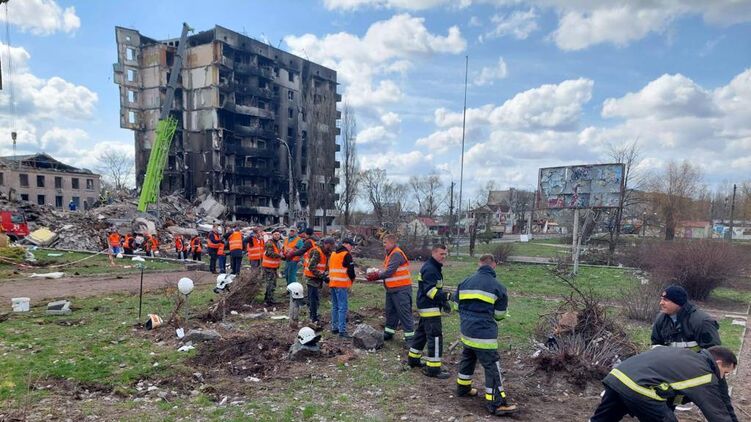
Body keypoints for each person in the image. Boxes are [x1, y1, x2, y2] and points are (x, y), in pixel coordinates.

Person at [590, 345, 738, 421]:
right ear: (718, 363)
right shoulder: (704, 374)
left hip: (618, 376)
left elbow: (724, 401)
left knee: (603, 419)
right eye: (725, 372)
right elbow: (716, 412)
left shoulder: (687, 356)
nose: (723, 378)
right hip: (639, 387)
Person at [453, 254, 517, 416]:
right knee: (491, 366)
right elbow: (499, 315)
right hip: (484, 335)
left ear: (479, 264)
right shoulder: (498, 287)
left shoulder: (465, 282)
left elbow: (455, 306)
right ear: (494, 265)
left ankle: (463, 388)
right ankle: (496, 403)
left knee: (468, 357)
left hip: (466, 331)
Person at [409, 244, 451, 378]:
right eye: (441, 254)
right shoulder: (431, 269)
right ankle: (433, 369)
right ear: (434, 253)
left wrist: (443, 302)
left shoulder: (434, 267)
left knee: (421, 333)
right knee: (435, 336)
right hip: (429, 307)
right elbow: (430, 291)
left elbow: (434, 288)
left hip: (428, 306)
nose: (443, 257)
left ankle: (413, 359)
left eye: (445, 254)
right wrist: (447, 297)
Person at [366, 234, 414, 345]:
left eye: (385, 243)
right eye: (383, 242)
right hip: (392, 289)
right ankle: (389, 333)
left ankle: (410, 339)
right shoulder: (390, 254)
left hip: (401, 289)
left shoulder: (396, 254)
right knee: (391, 312)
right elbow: (387, 271)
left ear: (392, 243)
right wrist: (377, 273)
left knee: (404, 313)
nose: (384, 245)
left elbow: (389, 272)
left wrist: (376, 276)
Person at [651, 285, 721, 351]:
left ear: (678, 302)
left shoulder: (701, 321)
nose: (661, 303)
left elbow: (712, 352)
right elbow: (656, 345)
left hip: (696, 362)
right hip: (669, 362)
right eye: (661, 299)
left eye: (665, 300)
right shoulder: (661, 319)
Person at [304, 237, 335, 329]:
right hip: (311, 278)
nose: (332, 247)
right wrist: (323, 276)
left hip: (316, 278)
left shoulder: (325, 252)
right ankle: (313, 318)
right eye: (331, 245)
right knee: (313, 300)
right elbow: (311, 267)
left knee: (315, 299)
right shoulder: (317, 252)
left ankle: (314, 316)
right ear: (327, 244)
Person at [328, 238, 356, 338]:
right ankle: (342, 331)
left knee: (335, 306)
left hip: (333, 283)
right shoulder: (346, 254)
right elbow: (351, 270)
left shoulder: (333, 254)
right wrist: (352, 279)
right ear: (345, 244)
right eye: (351, 245)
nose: (352, 247)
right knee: (342, 307)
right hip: (341, 284)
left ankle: (334, 328)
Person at [262, 230, 284, 305]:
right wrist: (280, 256)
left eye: (278, 234)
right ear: (272, 235)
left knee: (272, 283)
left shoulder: (278, 243)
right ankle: (269, 300)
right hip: (268, 266)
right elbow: (269, 253)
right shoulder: (269, 243)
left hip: (274, 266)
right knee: (271, 283)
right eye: (275, 234)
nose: (277, 236)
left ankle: (268, 298)